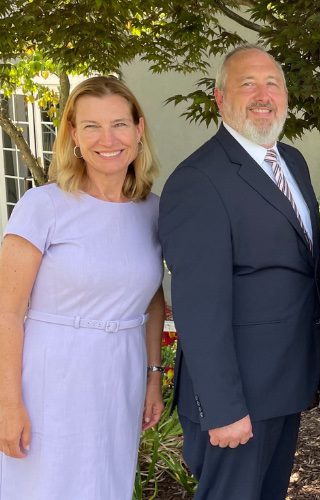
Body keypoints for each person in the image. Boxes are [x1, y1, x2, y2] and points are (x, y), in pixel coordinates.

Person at [158, 45, 320, 499]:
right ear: (219, 97)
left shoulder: (292, 162)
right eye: (247, 84)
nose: (262, 95)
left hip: (285, 384)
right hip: (237, 400)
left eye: (272, 84)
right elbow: (199, 307)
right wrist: (223, 407)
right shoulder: (199, 180)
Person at [0, 76, 165, 499]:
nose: (107, 139)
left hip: (120, 375)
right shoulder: (44, 206)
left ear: (139, 129)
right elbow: (7, 311)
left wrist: (152, 378)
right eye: (91, 126)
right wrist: (7, 403)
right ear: (73, 134)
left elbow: (151, 301)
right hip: (50, 377)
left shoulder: (153, 210)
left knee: (105, 485)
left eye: (119, 124)